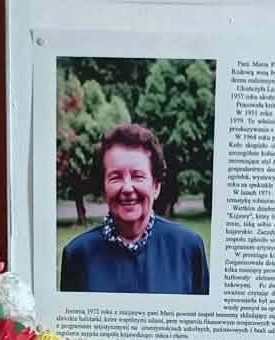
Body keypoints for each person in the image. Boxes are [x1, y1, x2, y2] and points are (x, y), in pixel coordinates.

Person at [59, 123, 210, 296]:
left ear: (156, 187)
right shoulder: (77, 255)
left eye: (138, 176)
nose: (127, 188)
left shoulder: (188, 247)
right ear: (103, 191)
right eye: (116, 177)